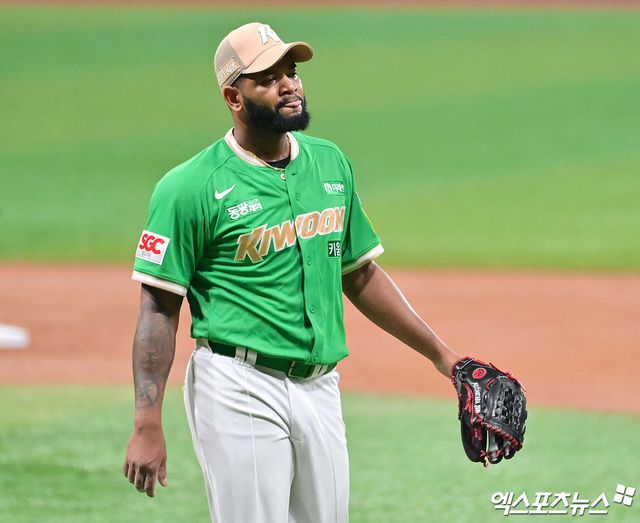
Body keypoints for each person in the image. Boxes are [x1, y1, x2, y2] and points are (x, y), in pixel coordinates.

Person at [123, 22, 459, 522]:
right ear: (233, 98)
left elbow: (359, 273)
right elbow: (158, 307)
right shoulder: (189, 187)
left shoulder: (330, 163)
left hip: (321, 386)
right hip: (238, 385)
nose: (289, 86)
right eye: (268, 78)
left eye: (292, 72)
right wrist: (146, 421)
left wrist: (444, 357)